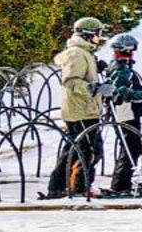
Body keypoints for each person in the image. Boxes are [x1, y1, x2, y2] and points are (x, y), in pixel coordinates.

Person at [42, 17, 107, 199]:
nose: (99, 37)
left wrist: (96, 68)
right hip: (81, 110)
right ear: (88, 34)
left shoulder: (84, 52)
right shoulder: (77, 54)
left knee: (74, 149)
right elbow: (70, 81)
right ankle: (78, 187)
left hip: (85, 108)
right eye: (97, 34)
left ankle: (58, 186)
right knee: (89, 151)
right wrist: (94, 88)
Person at [103, 33, 142, 196]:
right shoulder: (121, 67)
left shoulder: (121, 66)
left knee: (132, 145)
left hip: (126, 111)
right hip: (125, 111)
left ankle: (123, 181)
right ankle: (120, 183)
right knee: (131, 146)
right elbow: (123, 92)